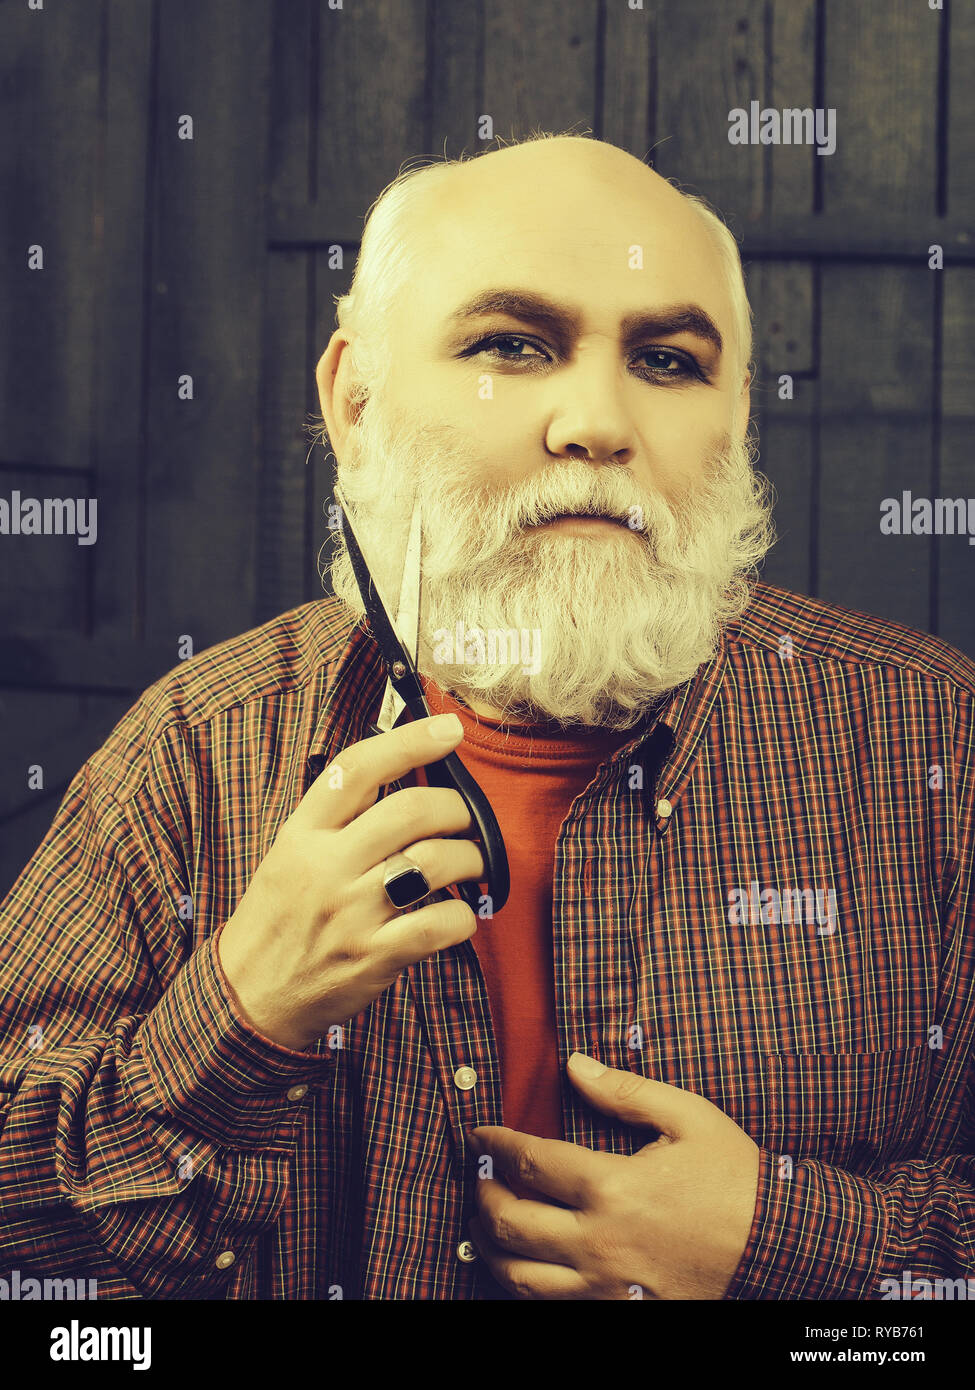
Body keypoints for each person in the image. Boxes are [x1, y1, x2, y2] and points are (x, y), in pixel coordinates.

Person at [0, 132, 972, 1301]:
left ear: (738, 418)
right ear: (356, 400)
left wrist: (781, 1244)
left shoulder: (936, 744)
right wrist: (243, 1014)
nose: (597, 422)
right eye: (513, 347)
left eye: (667, 361)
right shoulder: (197, 751)